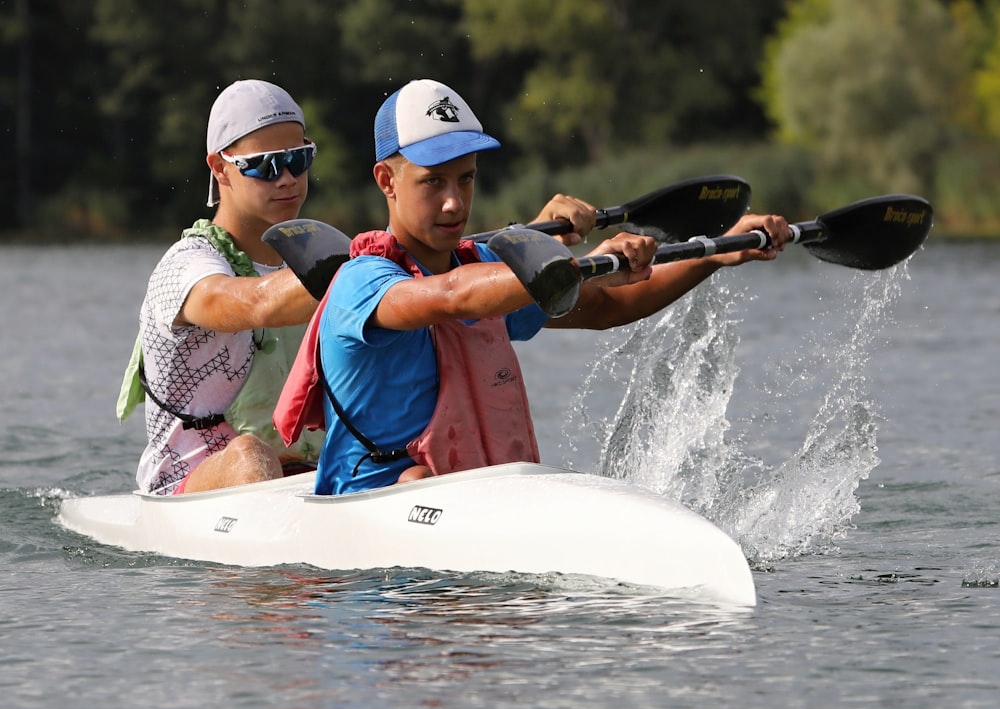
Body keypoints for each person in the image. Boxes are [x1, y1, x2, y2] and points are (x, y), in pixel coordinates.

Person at [276, 78, 790, 495]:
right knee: (416, 478)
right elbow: (452, 296)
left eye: (467, 179)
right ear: (387, 182)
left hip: (474, 499)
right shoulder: (361, 281)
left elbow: (609, 302)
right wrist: (579, 260)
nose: (455, 202)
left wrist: (721, 250)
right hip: (370, 539)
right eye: (433, 182)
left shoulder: (488, 269)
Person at [116, 79, 326, 495]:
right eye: (265, 166)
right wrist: (364, 272)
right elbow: (258, 305)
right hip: (187, 484)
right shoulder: (185, 266)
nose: (286, 179)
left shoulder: (312, 256)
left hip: (306, 472)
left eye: (298, 159)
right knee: (251, 454)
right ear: (219, 167)